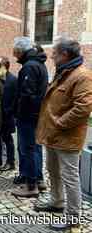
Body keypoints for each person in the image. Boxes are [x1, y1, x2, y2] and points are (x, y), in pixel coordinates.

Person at [35, 38, 92, 231]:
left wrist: (59, 123)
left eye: (55, 53)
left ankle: (73, 217)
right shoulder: (64, 73)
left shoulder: (82, 75)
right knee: (52, 171)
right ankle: (57, 202)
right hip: (53, 135)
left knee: (70, 177)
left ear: (65, 55)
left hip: (67, 137)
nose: (52, 56)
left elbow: (83, 108)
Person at [10, 37, 48, 198]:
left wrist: (19, 113)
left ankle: (31, 185)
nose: (14, 55)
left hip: (28, 117)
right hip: (36, 115)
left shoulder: (29, 67)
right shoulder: (39, 64)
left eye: (15, 52)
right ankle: (38, 179)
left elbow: (27, 95)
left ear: (20, 51)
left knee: (28, 149)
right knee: (35, 148)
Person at [0, 56, 17, 171]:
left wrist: (9, 111)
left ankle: (10, 162)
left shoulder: (13, 80)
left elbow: (16, 98)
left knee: (7, 139)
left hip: (7, 115)